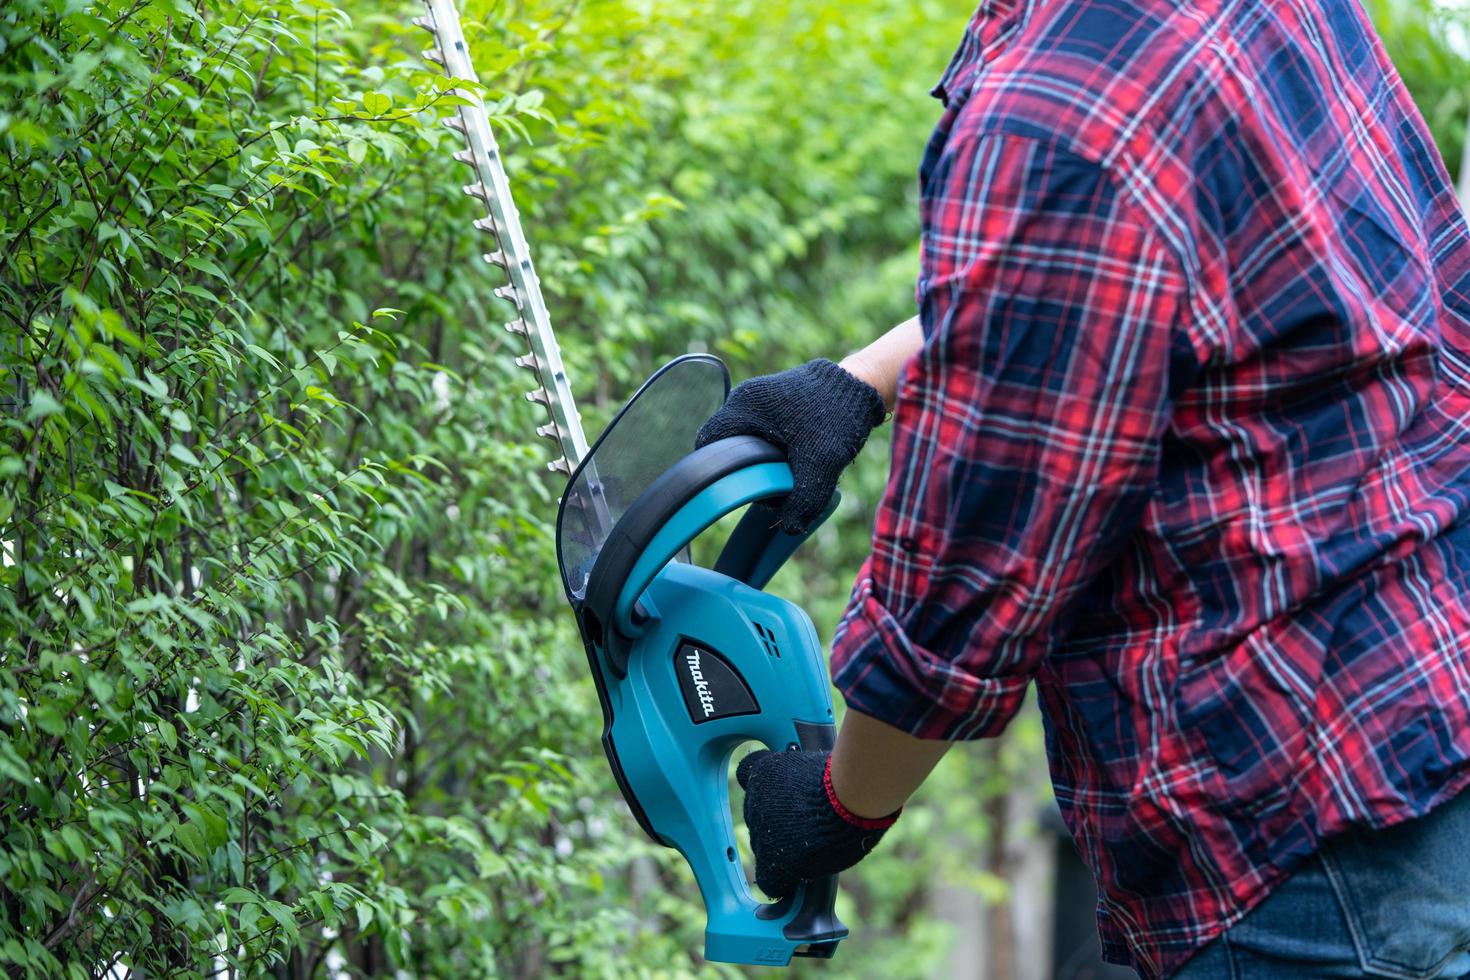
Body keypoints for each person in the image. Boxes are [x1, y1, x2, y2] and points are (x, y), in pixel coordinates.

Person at [693, 0, 1470, 977]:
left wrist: (842, 800)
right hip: (1422, 708)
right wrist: (858, 383)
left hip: (1291, 833)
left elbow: (976, 577)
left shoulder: (1061, 105)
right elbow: (1146, 262)